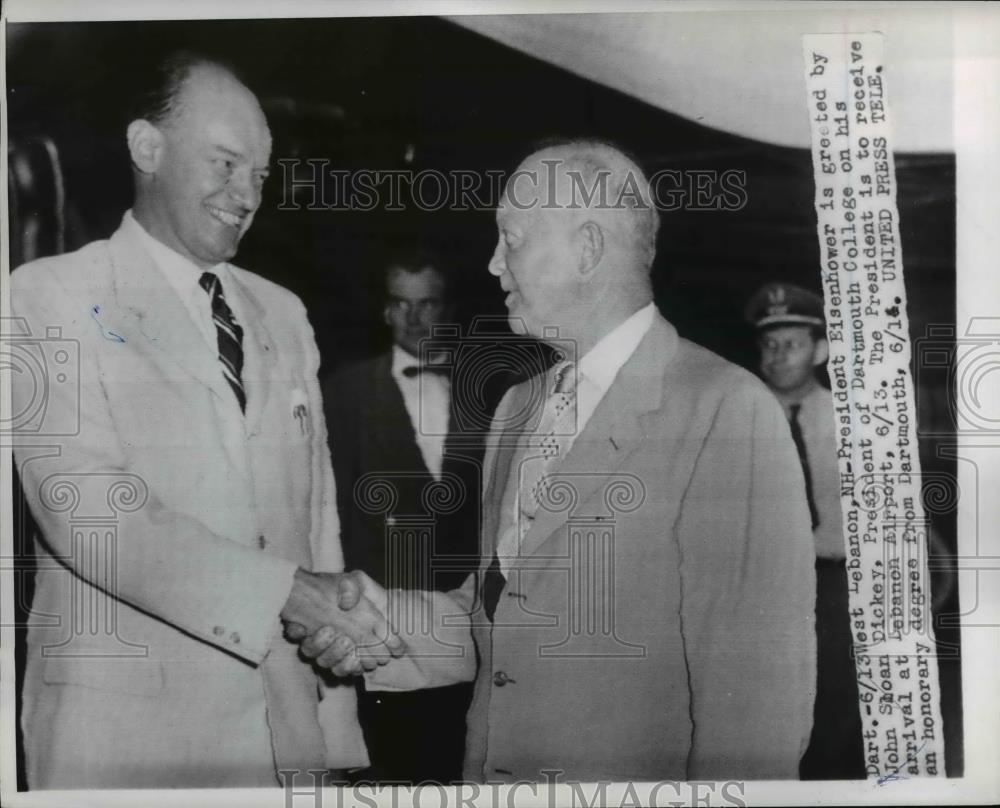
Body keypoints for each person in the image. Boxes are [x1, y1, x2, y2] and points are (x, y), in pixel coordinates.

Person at [302, 139, 818, 781]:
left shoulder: (724, 410)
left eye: (511, 238)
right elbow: (499, 613)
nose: (493, 265)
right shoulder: (519, 406)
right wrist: (368, 619)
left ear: (588, 248)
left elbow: (756, 713)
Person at [9, 51, 402, 789]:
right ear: (146, 147)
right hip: (126, 749)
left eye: (259, 173)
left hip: (283, 747)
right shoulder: (46, 296)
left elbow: (316, 525)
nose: (245, 193)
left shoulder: (283, 313)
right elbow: (85, 509)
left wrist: (335, 728)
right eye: (225, 163)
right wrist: (282, 591)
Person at [322, 251, 482, 783]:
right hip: (383, 634)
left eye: (427, 304)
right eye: (400, 304)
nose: (414, 319)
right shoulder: (344, 391)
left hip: (472, 629)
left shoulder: (490, 391)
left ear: (448, 310)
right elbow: (328, 510)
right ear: (384, 312)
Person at [745, 282, 866, 779]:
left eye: (791, 345)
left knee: (836, 699)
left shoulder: (854, 420)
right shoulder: (736, 416)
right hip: (758, 582)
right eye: (769, 345)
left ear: (820, 351)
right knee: (759, 701)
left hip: (834, 583)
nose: (777, 357)